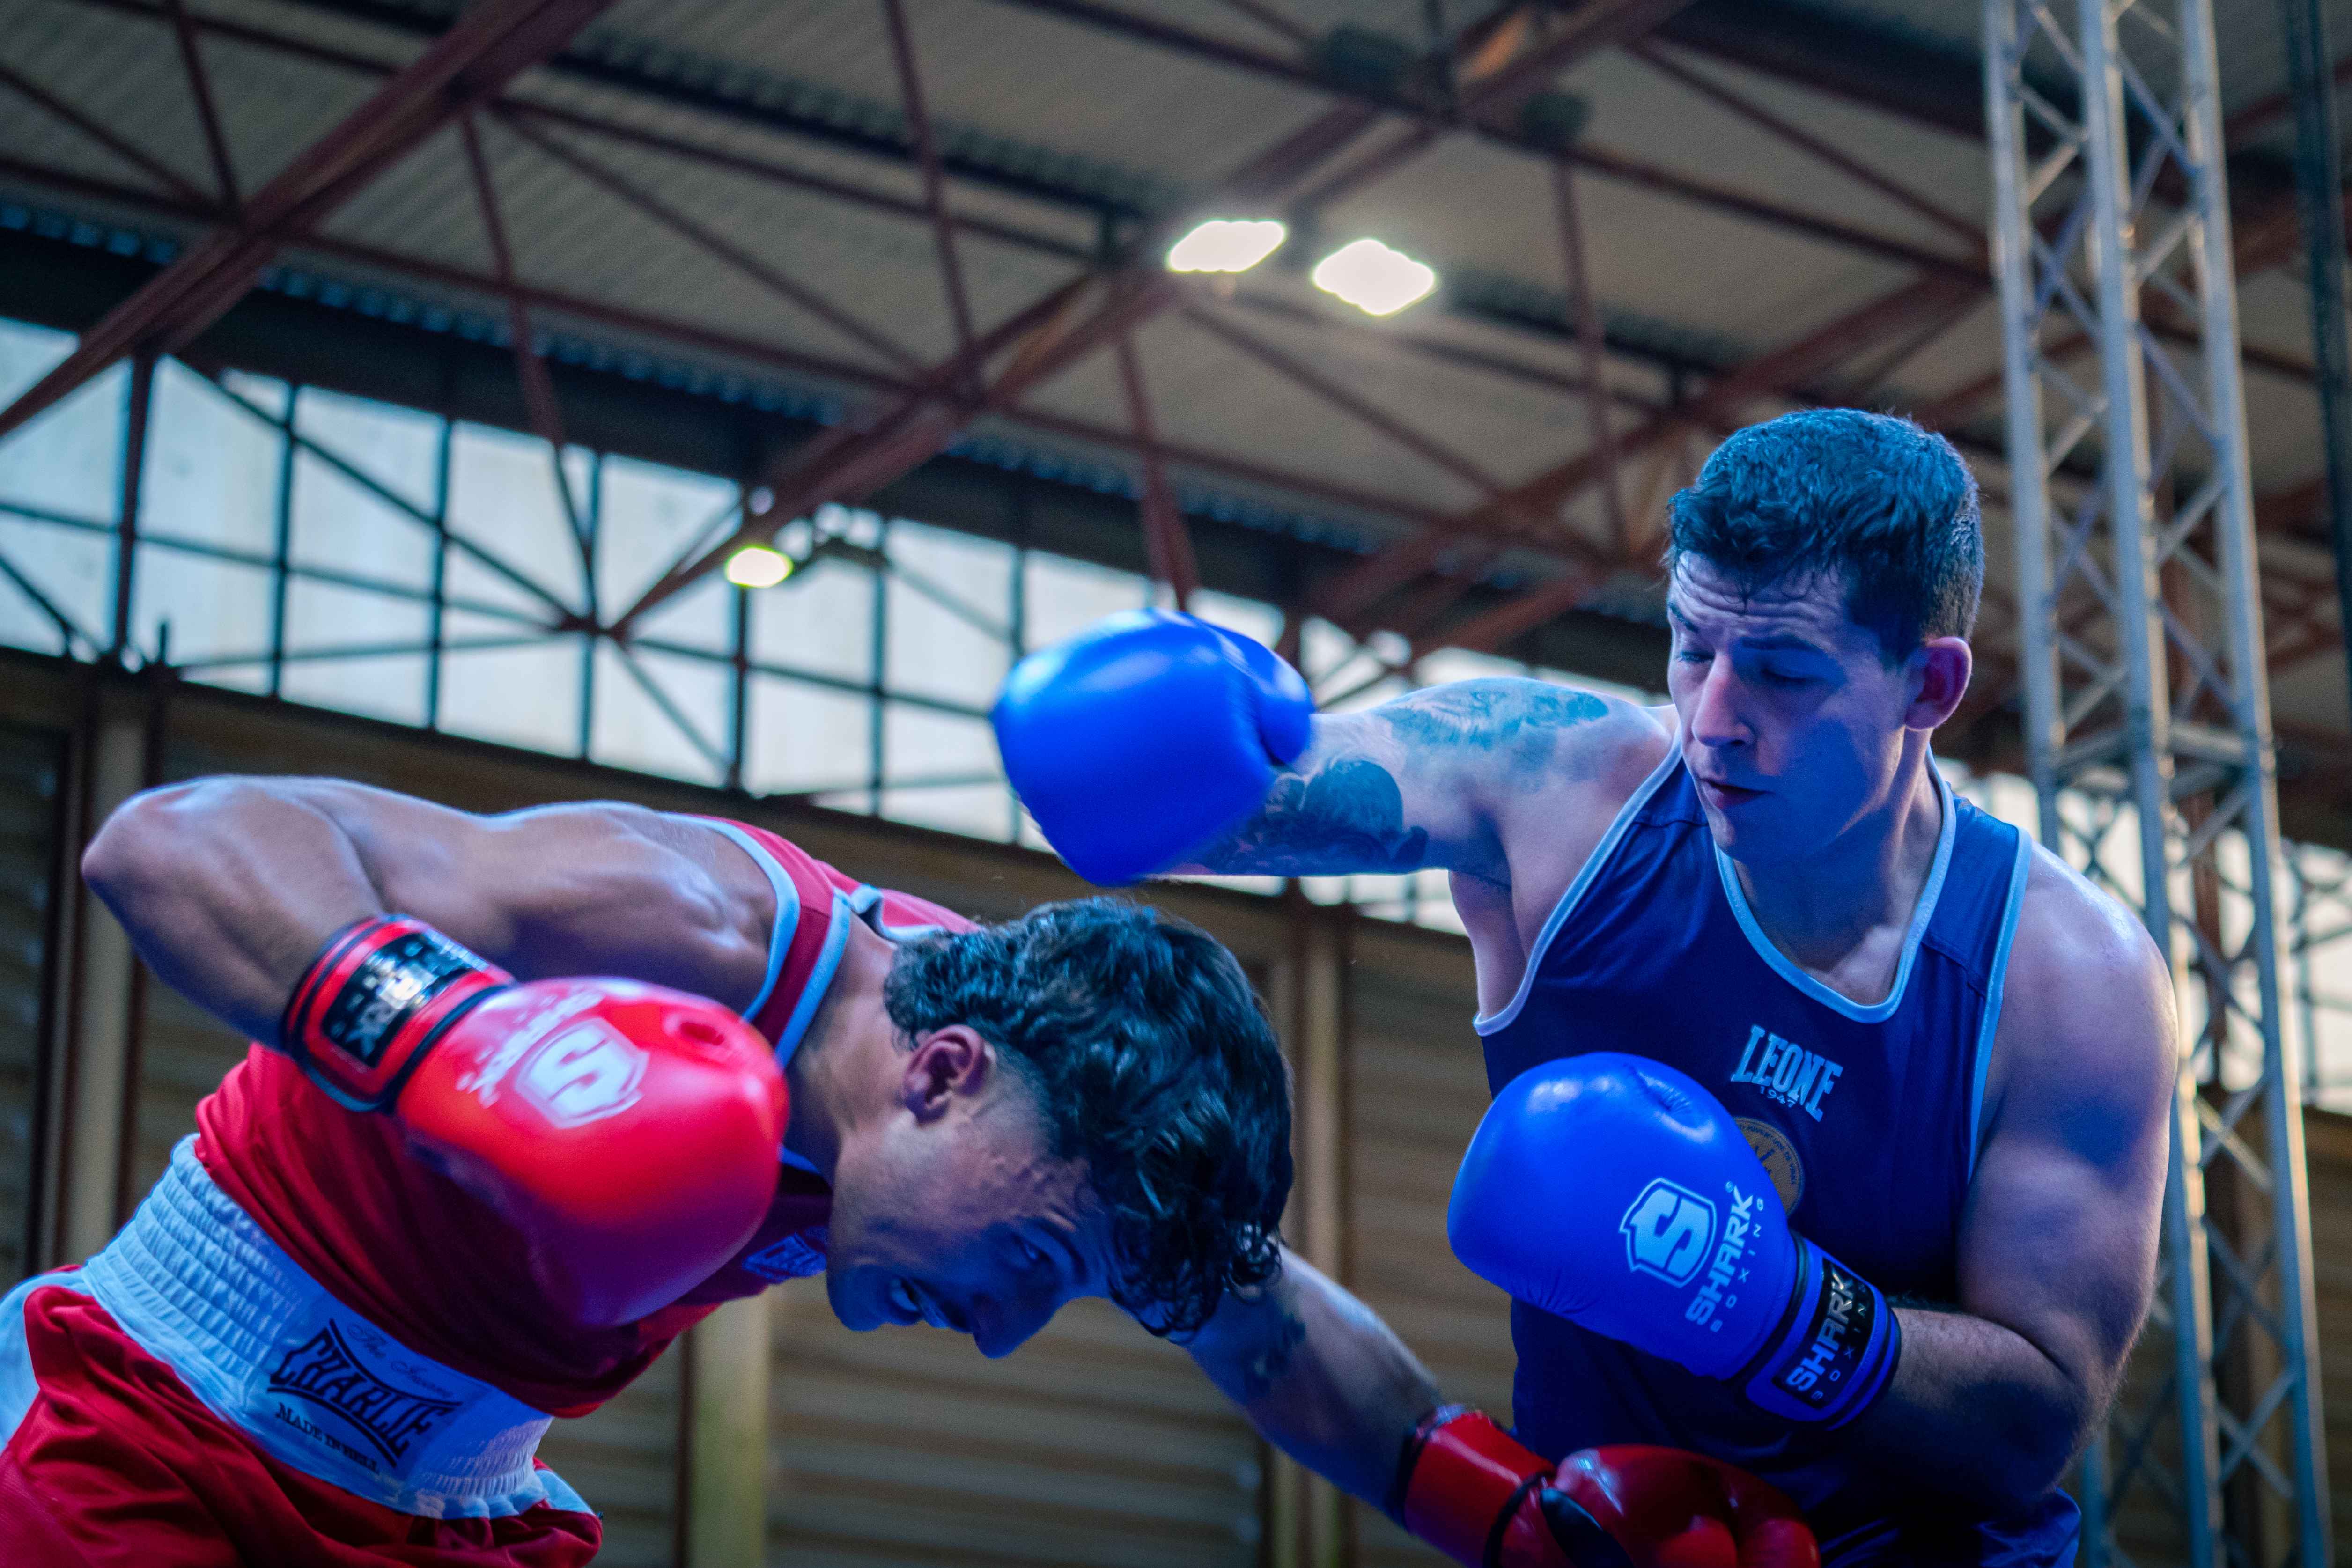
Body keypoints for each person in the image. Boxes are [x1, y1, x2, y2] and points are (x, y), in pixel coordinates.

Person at [4, 779, 1806, 1567]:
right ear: (941, 1076)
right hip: (147, 1420)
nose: (1007, 1337)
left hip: (450, 1514)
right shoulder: (708, 929)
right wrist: (457, 1043)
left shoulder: (1066, 1126)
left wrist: (1493, 1507)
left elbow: (1268, 1332)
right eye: (1031, 1266)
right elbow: (171, 840)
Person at [995, 408, 2175, 1565]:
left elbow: (2036, 1421)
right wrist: (1158, 766)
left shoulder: (2066, 982)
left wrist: (1777, 1311)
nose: (1714, 720)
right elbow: (1239, 794)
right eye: (1692, 646)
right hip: (1607, 1538)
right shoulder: (1557, 785)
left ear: (1928, 685)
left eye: (1780, 673)